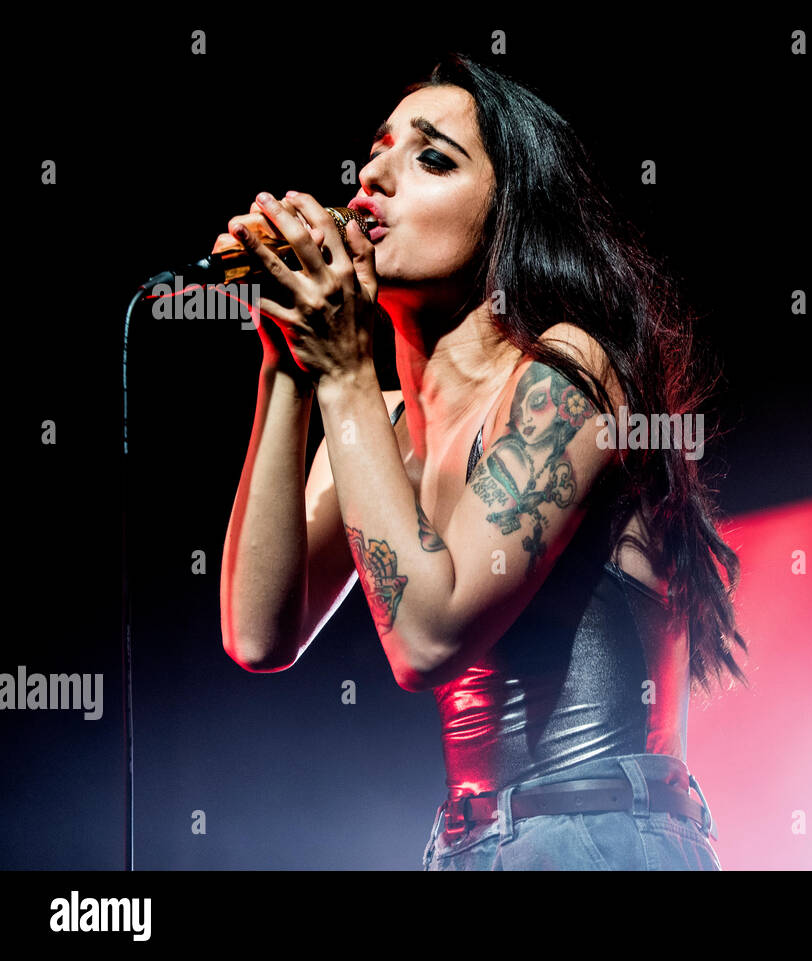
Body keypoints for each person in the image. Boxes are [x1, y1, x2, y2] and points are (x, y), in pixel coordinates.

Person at [217, 53, 749, 870]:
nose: (373, 179)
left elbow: (428, 636)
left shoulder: (569, 373)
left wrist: (346, 372)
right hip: (468, 844)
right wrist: (287, 358)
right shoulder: (378, 424)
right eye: (378, 151)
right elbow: (259, 632)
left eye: (431, 157)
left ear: (511, 218)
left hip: (598, 836)